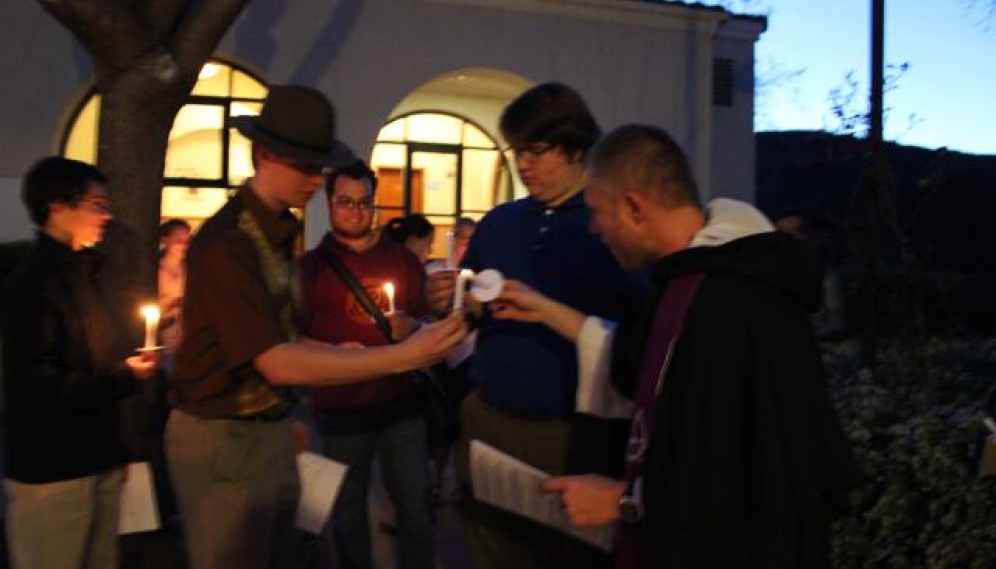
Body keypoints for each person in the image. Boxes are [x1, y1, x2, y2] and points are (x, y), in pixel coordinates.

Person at [491, 124, 863, 568]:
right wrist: (546, 310)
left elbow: (748, 468)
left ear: (633, 207)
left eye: (597, 211)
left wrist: (623, 501)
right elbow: (644, 362)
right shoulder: (688, 283)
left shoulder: (731, 298)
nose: (593, 228)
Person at [164, 85, 466, 569]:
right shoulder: (228, 243)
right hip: (222, 435)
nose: (314, 179)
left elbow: (283, 337)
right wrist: (403, 356)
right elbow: (275, 360)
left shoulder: (276, 230)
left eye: (319, 165)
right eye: (304, 165)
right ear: (263, 153)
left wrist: (343, 355)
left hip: (268, 427)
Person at [426, 82, 642, 569]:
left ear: (575, 149)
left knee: (566, 555)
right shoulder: (500, 223)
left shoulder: (608, 225)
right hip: (490, 419)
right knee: (487, 547)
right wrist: (444, 299)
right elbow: (473, 304)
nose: (522, 164)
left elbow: (637, 337)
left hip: (572, 434)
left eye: (536, 151)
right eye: (517, 151)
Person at [1, 156, 157, 569]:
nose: (106, 216)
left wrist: (115, 447)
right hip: (54, 471)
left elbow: (92, 358)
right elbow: (33, 384)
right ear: (57, 207)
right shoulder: (32, 284)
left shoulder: (86, 274)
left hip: (97, 459)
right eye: (96, 204)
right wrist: (123, 376)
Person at [299, 159, 435, 569]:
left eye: (364, 202)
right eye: (345, 202)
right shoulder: (310, 268)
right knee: (348, 510)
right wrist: (334, 355)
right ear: (329, 202)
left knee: (415, 503)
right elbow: (291, 338)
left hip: (399, 402)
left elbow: (427, 320)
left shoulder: (402, 260)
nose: (356, 211)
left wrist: (410, 325)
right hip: (340, 406)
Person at [157, 218, 191, 360]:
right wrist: (173, 303)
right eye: (178, 240)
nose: (184, 245)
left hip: (188, 341)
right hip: (165, 343)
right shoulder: (155, 271)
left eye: (187, 240)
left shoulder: (190, 270)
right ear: (164, 241)